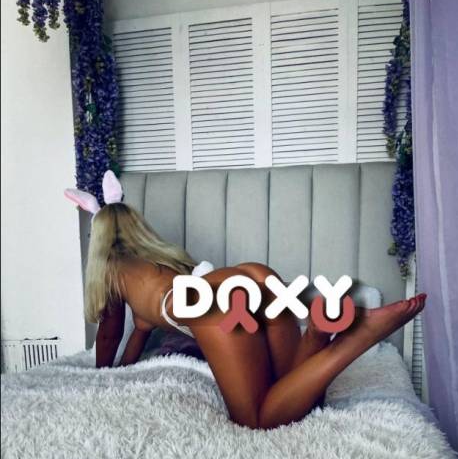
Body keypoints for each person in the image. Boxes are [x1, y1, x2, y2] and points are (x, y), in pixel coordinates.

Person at [68, 174, 425, 430]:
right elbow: (140, 331)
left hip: (209, 300)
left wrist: (102, 372)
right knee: (295, 390)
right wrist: (127, 363)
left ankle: (355, 338)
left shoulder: (112, 270)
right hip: (247, 278)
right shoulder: (158, 260)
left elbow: (109, 334)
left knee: (256, 419)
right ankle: (316, 335)